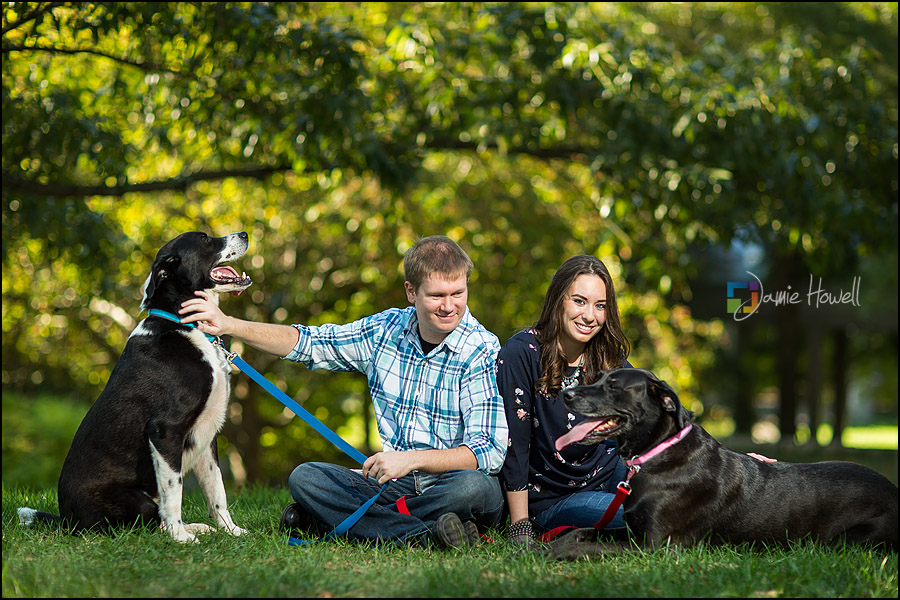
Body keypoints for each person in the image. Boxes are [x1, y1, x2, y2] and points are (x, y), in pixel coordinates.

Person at [178, 235, 508, 548]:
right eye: (437, 295)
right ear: (411, 292)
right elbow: (309, 343)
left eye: (458, 293)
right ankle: (425, 533)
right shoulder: (385, 330)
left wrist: (409, 460)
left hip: (452, 484)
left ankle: (342, 521)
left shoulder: (480, 348)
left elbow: (488, 452)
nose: (449, 306)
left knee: (473, 487)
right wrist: (230, 324)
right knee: (306, 478)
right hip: (394, 487)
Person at [497, 255, 633, 544]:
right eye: (579, 301)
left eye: (600, 306)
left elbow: (658, 412)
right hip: (552, 498)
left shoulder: (607, 353)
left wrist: (730, 459)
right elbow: (515, 446)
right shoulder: (522, 353)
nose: (590, 316)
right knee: (640, 515)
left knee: (673, 494)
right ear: (559, 299)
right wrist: (520, 526)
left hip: (609, 471)